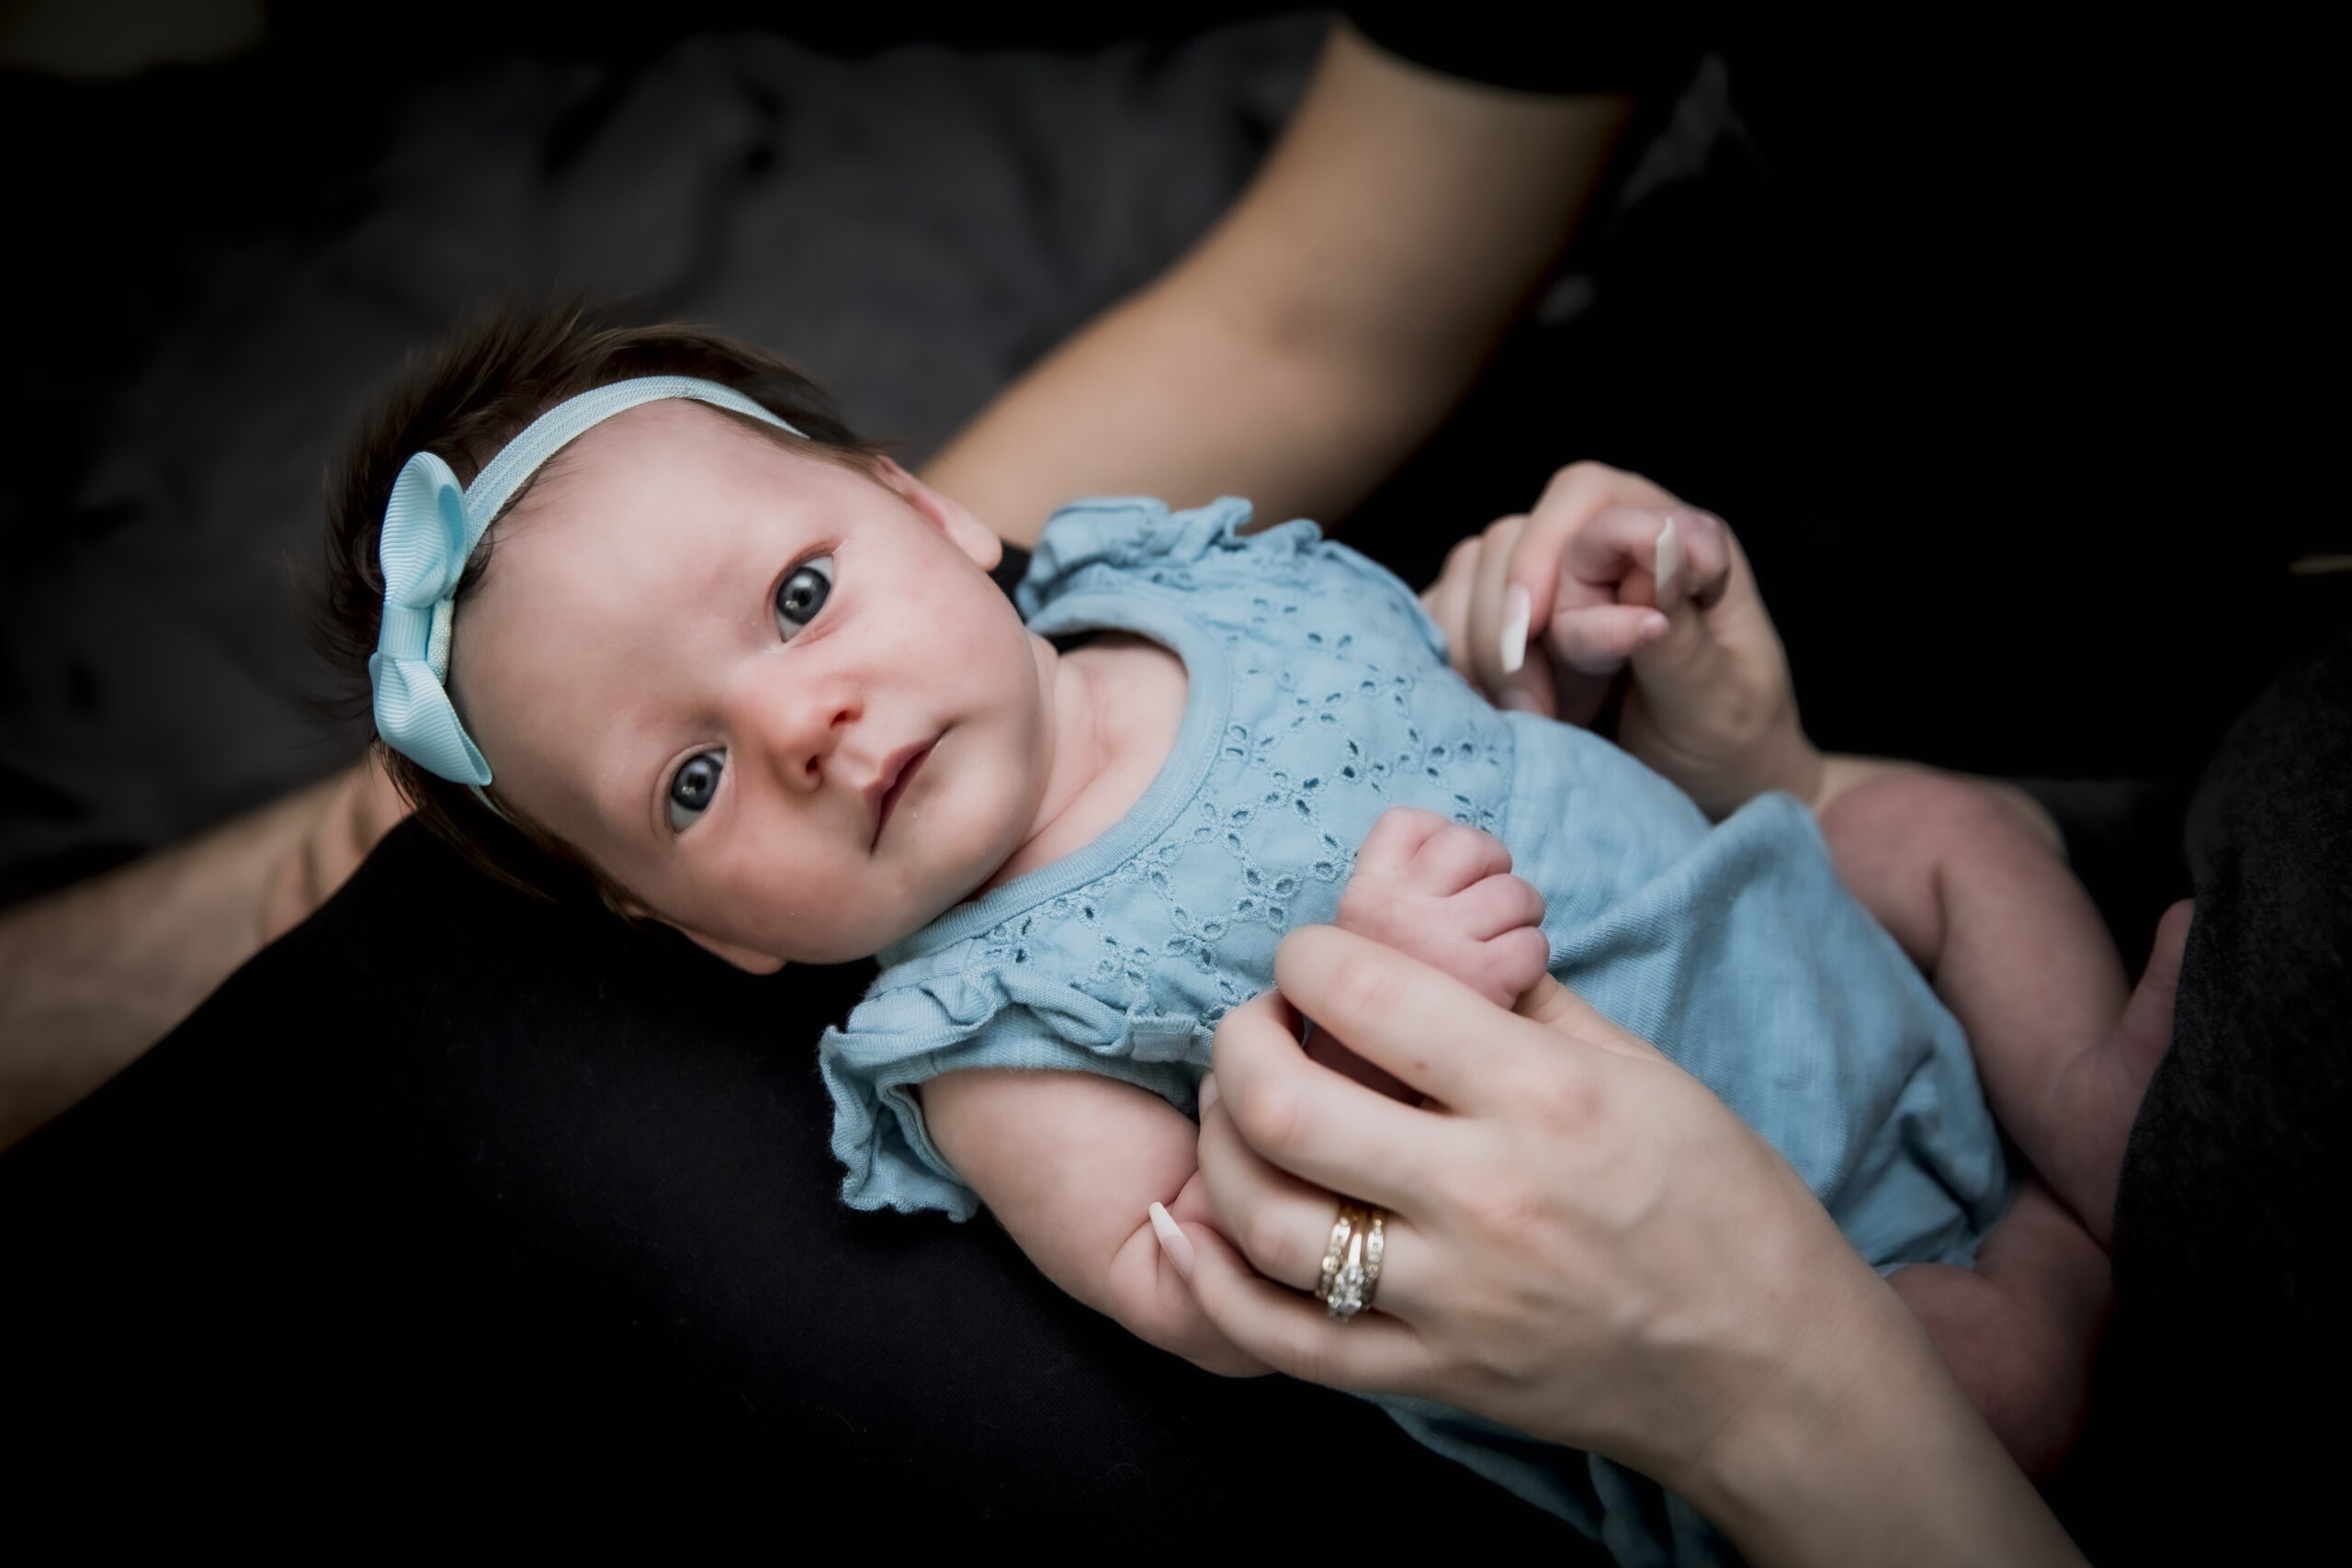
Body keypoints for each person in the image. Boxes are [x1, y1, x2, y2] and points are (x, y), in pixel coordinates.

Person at [309, 298, 2156, 1555]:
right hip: (1766, 1287)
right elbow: (1205, 1287)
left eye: (800, 595)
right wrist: (1371, 1025)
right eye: (689, 782)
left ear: (926, 508)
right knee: (1990, 1388)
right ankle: (2082, 1265)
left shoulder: (1175, 577)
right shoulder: (986, 1029)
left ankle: (2097, 1110)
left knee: (1940, 823)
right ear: (699, 932)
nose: (802, 724)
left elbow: (1437, 689)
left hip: (1784, 925)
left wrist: (1547, 635)